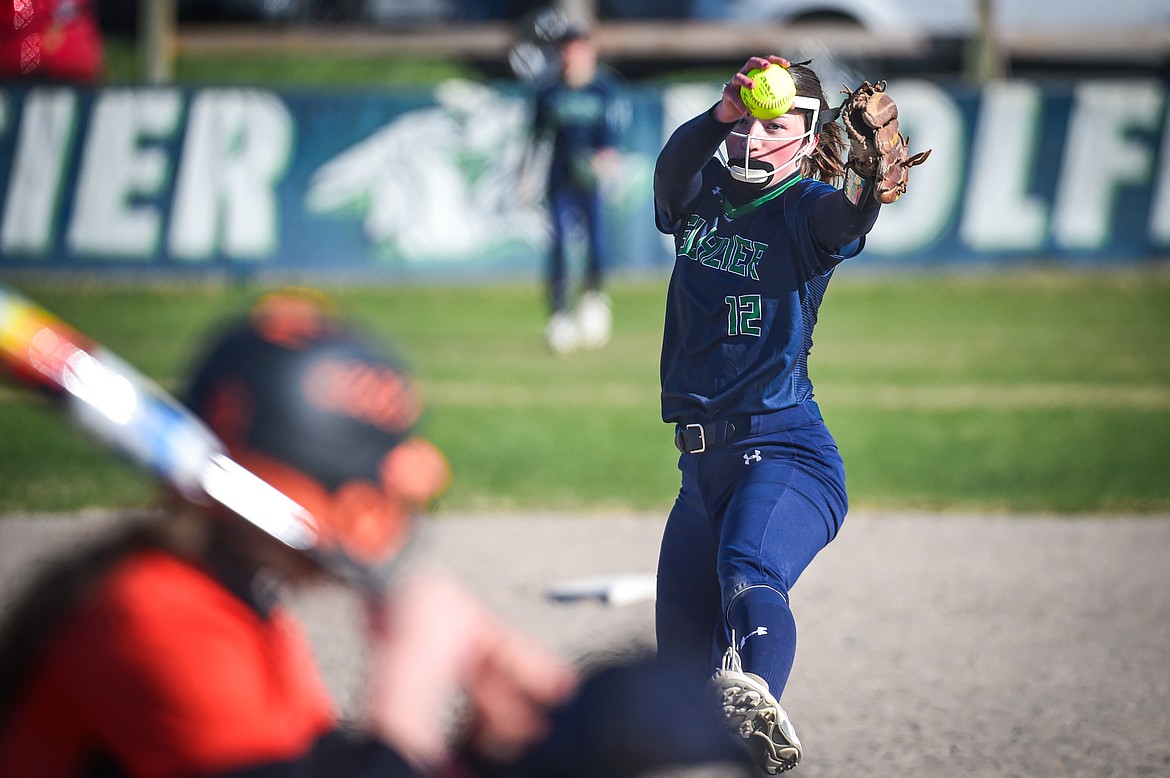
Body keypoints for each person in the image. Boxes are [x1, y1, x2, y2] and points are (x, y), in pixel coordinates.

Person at [0, 290, 576, 777]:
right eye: (370, 498)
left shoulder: (243, 604)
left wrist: (489, 748)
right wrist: (409, 688)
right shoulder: (151, 614)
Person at [651, 56, 926, 774]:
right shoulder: (705, 188)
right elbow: (668, 173)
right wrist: (719, 114)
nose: (754, 135)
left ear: (808, 139)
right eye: (749, 120)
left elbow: (848, 214)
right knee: (678, 670)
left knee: (748, 567)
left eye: (777, 123)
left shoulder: (806, 208)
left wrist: (866, 182)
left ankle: (759, 709)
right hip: (700, 471)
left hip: (786, 454)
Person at [528, 21, 625, 355]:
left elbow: (613, 136)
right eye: (566, 48)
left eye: (577, 48)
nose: (571, 55)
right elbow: (537, 137)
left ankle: (594, 299)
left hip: (592, 179)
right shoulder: (549, 91)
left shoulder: (603, 90)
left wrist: (605, 159)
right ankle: (559, 314)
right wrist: (525, 175)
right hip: (560, 176)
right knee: (558, 244)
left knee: (596, 240)